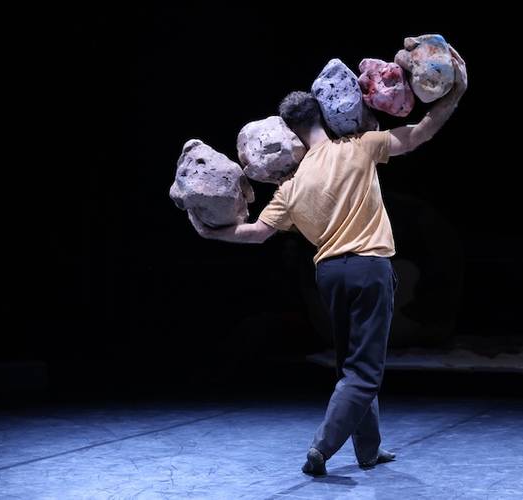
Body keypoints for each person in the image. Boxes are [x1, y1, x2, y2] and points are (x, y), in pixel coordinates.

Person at [190, 46, 467, 476]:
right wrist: (454, 95)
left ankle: (368, 450)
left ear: (292, 132)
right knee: (365, 373)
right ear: (324, 113)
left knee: (351, 365)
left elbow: (256, 233)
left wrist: (212, 232)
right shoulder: (357, 147)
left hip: (330, 275)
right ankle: (321, 448)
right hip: (369, 267)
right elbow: (418, 134)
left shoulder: (291, 186)